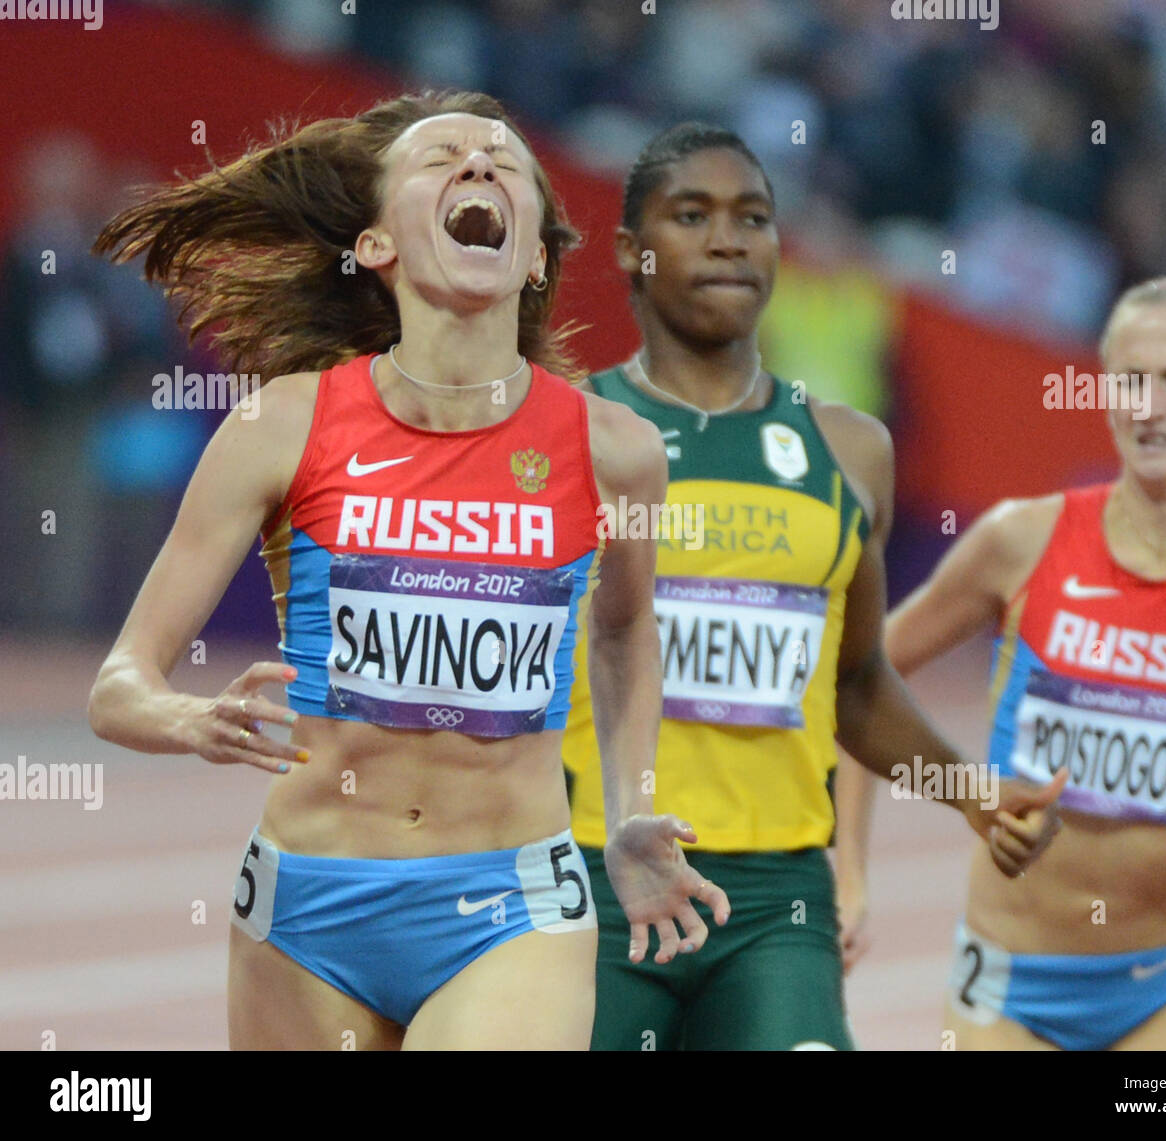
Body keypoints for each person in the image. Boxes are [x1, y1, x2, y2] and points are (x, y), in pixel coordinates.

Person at [87, 89, 728, 1051]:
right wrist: (184, 715)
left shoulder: (614, 450)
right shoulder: (282, 426)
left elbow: (628, 628)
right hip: (306, 913)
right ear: (378, 244)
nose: (479, 165)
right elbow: (118, 686)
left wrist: (628, 809)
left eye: (503, 159)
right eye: (445, 158)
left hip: (512, 905)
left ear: (537, 254)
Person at [561, 123, 1066, 1051]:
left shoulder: (850, 449)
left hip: (776, 906)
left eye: (753, 218)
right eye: (692, 215)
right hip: (596, 886)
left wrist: (969, 792)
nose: (728, 239)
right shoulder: (573, 433)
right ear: (632, 251)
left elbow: (858, 683)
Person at [885, 277, 1166, 1050]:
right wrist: (930, 807)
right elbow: (858, 681)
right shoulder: (1021, 539)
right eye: (1131, 382)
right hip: (1011, 987)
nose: (1150, 405)